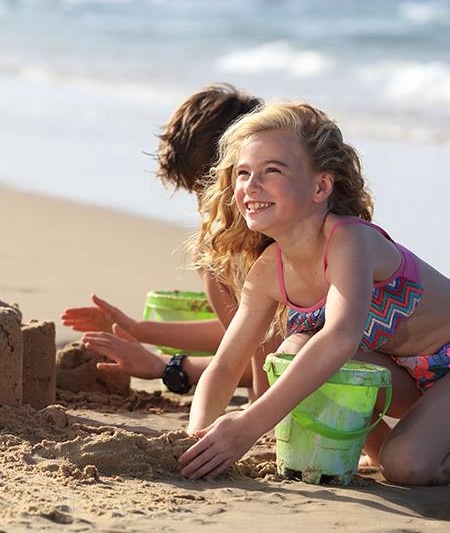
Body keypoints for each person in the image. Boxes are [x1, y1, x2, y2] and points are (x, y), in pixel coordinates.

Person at [178, 102, 450, 486]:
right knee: (294, 350)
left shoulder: (350, 240)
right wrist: (199, 437)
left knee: (409, 466)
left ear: (321, 186)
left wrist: (247, 426)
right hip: (409, 378)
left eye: (272, 170)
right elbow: (225, 367)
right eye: (243, 173)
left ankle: (409, 453)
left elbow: (340, 337)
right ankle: (389, 452)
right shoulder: (268, 271)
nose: (251, 185)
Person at [61, 83, 270, 392]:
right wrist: (137, 330)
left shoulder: (221, 250)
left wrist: (164, 366)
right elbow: (244, 329)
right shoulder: (283, 226)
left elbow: (259, 363)